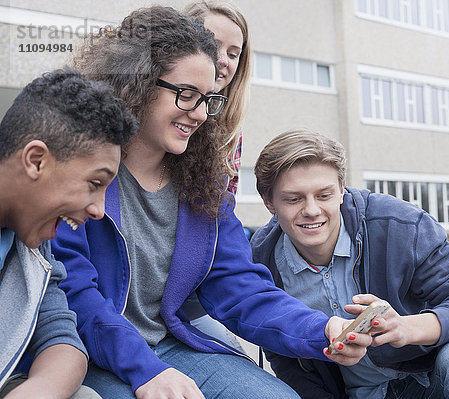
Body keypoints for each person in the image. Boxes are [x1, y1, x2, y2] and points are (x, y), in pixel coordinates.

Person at [51, 7, 371, 399]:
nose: (201, 114)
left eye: (209, 99)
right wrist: (148, 372)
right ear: (135, 83)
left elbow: (239, 287)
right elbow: (74, 295)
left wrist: (322, 329)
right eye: (186, 95)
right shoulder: (77, 172)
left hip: (170, 343)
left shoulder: (205, 185)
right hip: (87, 353)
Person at [251, 129, 449, 399]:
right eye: (294, 199)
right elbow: (283, 353)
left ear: (342, 189)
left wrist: (407, 328)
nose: (312, 210)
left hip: (432, 380)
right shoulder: (261, 259)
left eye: (324, 195)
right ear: (269, 201)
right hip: (361, 394)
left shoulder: (401, 224)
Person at [0, 69, 137, 398]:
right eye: (95, 183)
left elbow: (63, 341)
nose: (98, 210)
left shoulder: (34, 250)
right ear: (36, 161)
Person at [185, 0, 251, 195]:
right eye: (212, 46)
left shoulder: (230, 134)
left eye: (232, 54)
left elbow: (223, 213)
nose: (222, 60)